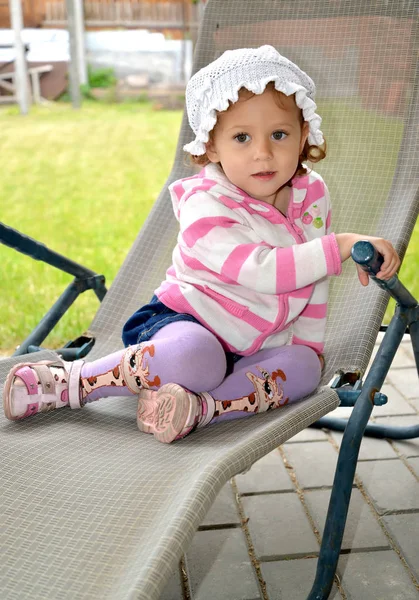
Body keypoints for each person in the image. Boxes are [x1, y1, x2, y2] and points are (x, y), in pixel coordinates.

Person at [3, 46, 400, 443]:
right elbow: (264, 270)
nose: (263, 153)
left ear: (302, 136)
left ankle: (195, 409)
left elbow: (313, 277)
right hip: (185, 324)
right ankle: (73, 383)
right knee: (197, 358)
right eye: (241, 137)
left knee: (305, 369)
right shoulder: (204, 204)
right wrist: (342, 244)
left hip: (257, 343)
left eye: (279, 134)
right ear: (211, 146)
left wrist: (309, 345)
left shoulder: (311, 192)